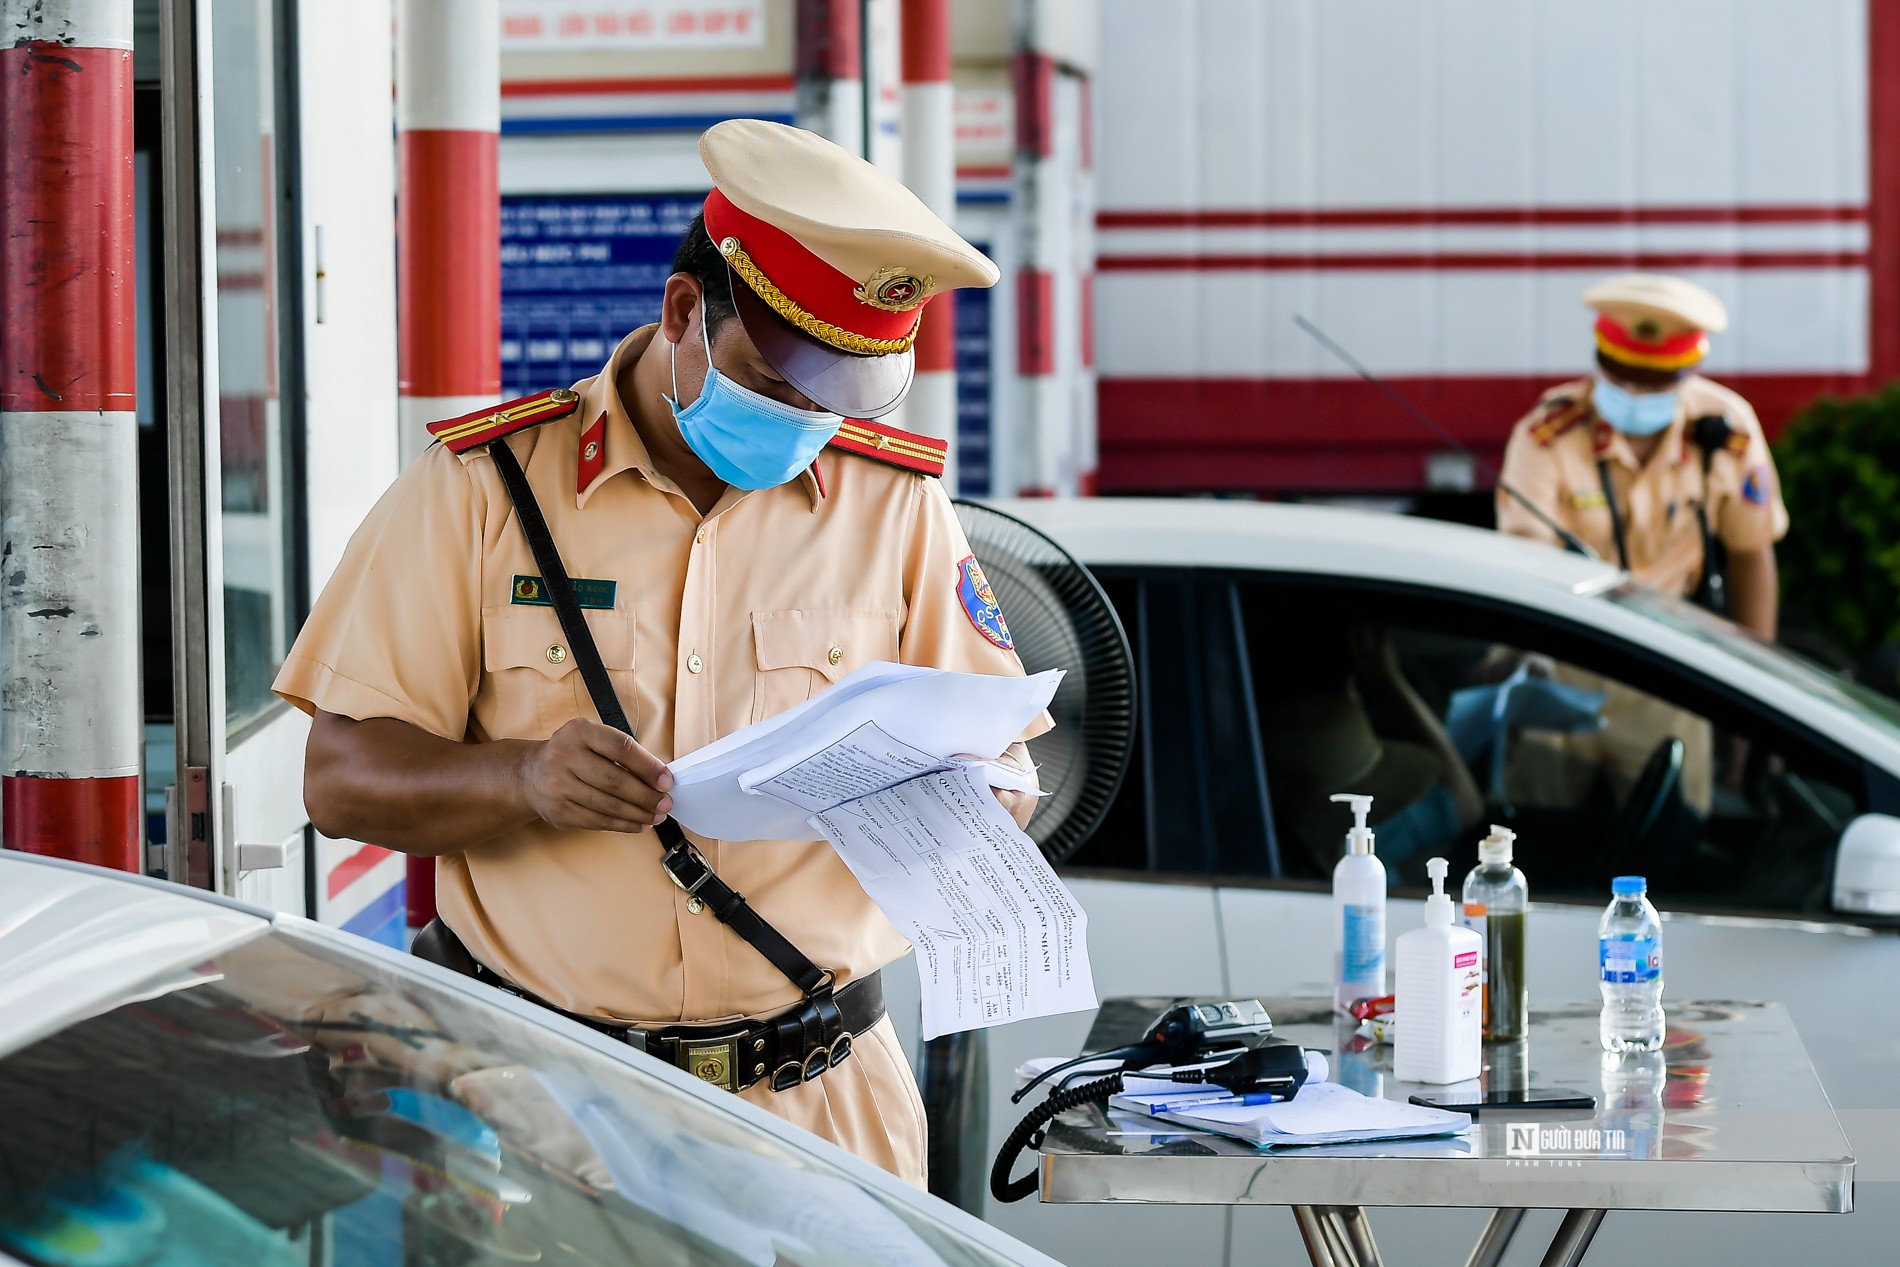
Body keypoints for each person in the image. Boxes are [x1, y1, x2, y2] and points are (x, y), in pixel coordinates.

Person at [273, 119, 1047, 1186]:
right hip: (545, 1111)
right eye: (782, 389)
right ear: (686, 310)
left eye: (841, 399)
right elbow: (342, 780)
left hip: (827, 1117)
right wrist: (525, 779)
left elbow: (1004, 771)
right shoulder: (481, 491)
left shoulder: (896, 508)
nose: (811, 423)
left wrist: (987, 799)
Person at [1496, 273, 1789, 641]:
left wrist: (1757, 664)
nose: (1633, 391)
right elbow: (1527, 561)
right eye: (1620, 374)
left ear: (1691, 371)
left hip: (1676, 644)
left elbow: (1751, 552)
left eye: (1654, 379)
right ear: (1599, 358)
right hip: (1571, 639)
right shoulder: (1547, 436)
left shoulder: (1728, 428)